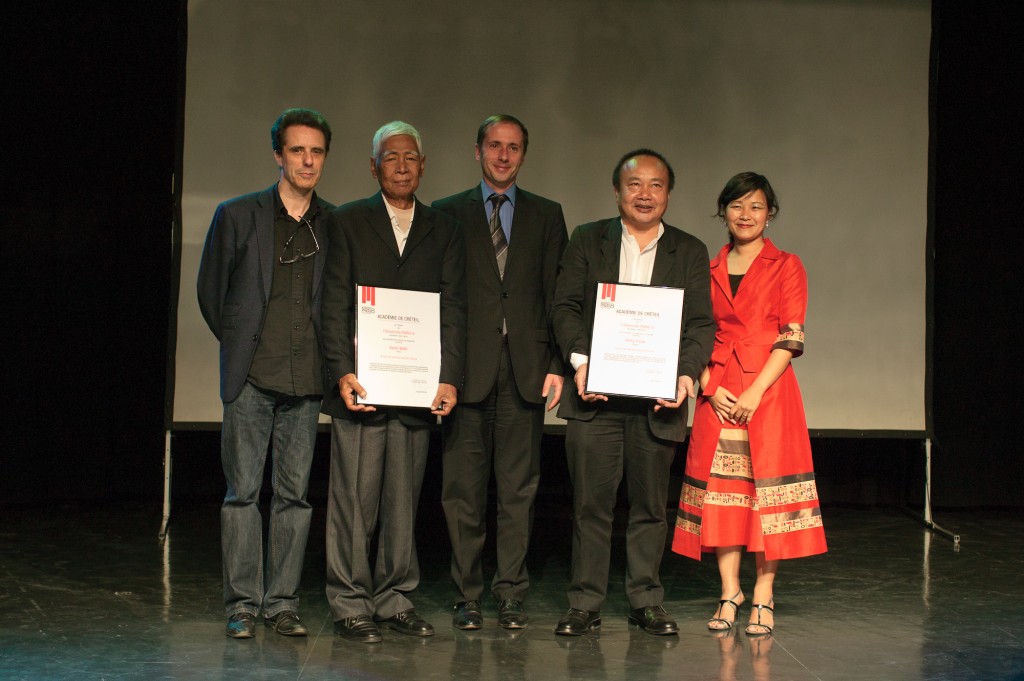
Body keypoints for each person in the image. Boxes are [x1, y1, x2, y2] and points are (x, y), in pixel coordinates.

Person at [551, 149, 715, 636]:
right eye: (634, 185)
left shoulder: (689, 250)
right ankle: (584, 602)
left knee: (649, 509)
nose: (645, 194)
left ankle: (646, 599)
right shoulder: (587, 239)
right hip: (593, 400)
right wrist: (581, 363)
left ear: (669, 193)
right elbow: (564, 307)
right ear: (617, 191)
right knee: (590, 507)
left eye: (656, 185)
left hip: (655, 404)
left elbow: (700, 324)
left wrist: (685, 377)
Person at [320, 121, 467, 643]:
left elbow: (453, 307)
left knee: (403, 503)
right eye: (390, 158)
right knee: (354, 501)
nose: (401, 166)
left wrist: (449, 378)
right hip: (361, 387)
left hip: (415, 390)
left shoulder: (444, 229)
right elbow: (333, 301)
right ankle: (349, 601)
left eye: (410, 158)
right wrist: (341, 370)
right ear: (374, 166)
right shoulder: (347, 221)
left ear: (423, 166)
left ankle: (395, 597)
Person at [197, 107, 334, 639]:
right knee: (243, 495)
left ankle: (282, 603)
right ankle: (242, 604)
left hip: (306, 383)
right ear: (278, 155)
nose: (307, 160)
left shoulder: (334, 222)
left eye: (316, 151)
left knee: (295, 498)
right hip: (252, 380)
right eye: (297, 150)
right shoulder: (237, 215)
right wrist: (243, 350)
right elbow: (213, 296)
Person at [671, 172, 827, 637]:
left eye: (755, 207)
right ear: (723, 212)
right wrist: (706, 385)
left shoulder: (787, 265)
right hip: (717, 389)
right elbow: (691, 331)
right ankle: (729, 592)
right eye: (736, 206)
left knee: (764, 499)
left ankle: (762, 594)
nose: (745, 215)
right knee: (723, 498)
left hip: (769, 392)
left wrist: (756, 390)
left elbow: (791, 334)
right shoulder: (707, 266)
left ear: (769, 213)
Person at [431, 115, 568, 631]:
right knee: (462, 492)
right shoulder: (446, 213)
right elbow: (441, 296)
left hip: (526, 371)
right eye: (495, 146)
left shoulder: (547, 215)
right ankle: (467, 594)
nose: (503, 155)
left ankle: (510, 592)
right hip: (465, 372)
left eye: (513, 148)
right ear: (477, 151)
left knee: (518, 491)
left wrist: (557, 364)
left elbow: (560, 298)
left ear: (523, 155)